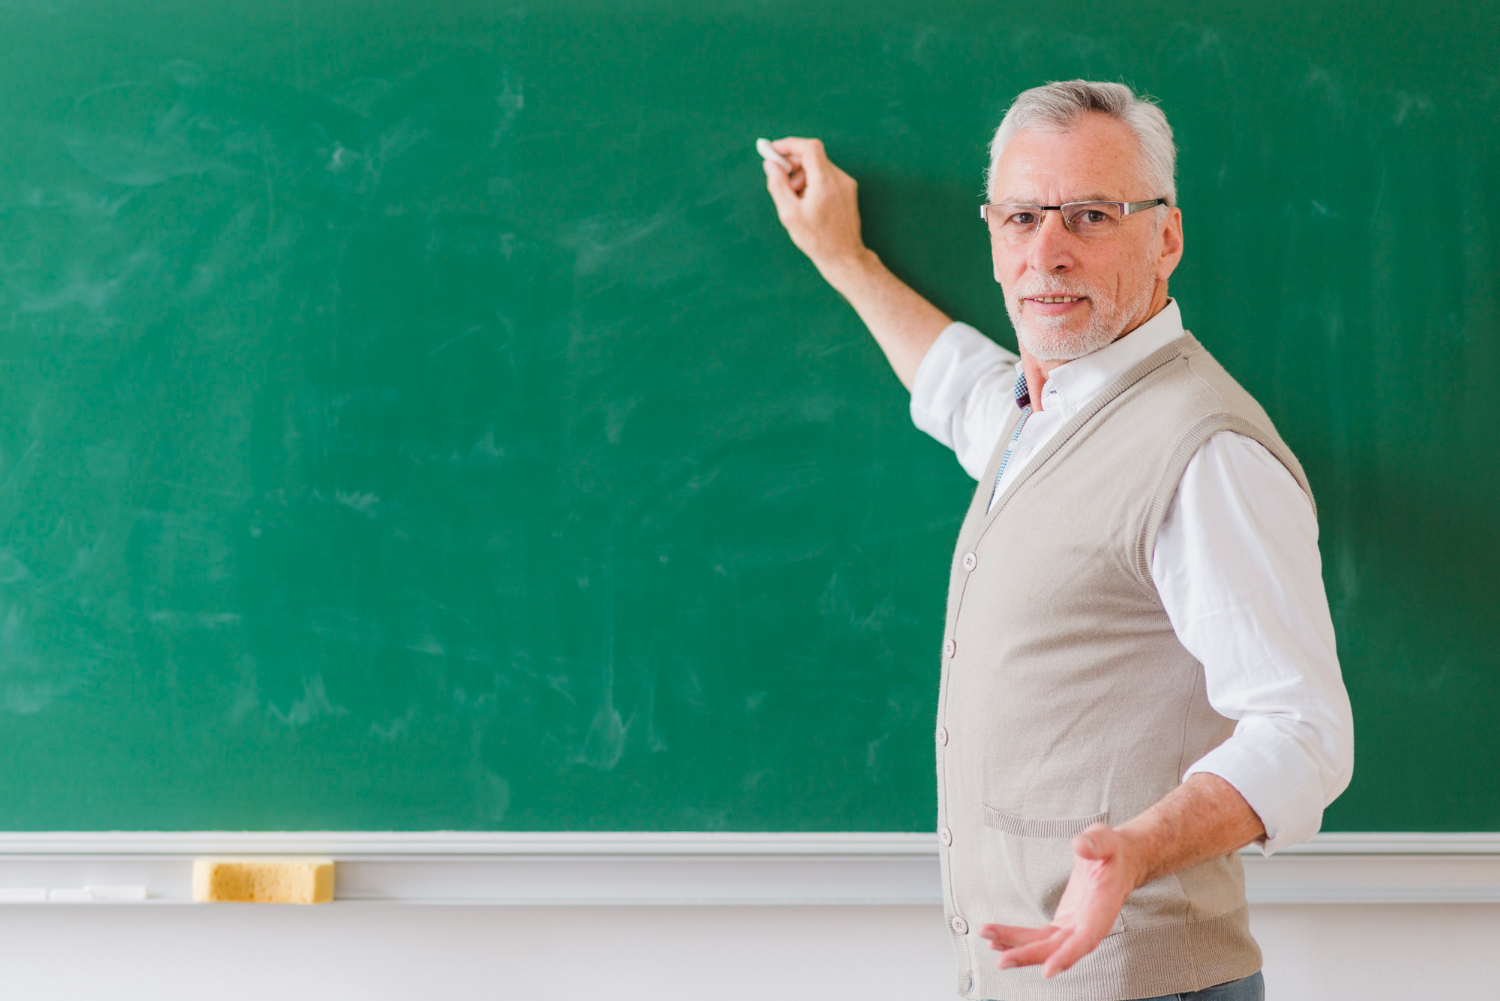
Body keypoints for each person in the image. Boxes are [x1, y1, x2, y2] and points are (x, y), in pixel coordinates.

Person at [760, 81, 1355, 1001]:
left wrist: (1139, 846)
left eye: (1090, 216)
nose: (1047, 253)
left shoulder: (1206, 452)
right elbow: (956, 382)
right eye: (1022, 218)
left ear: (1167, 237)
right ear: (992, 232)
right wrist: (846, 258)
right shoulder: (1047, 407)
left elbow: (1306, 731)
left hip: (1144, 985)